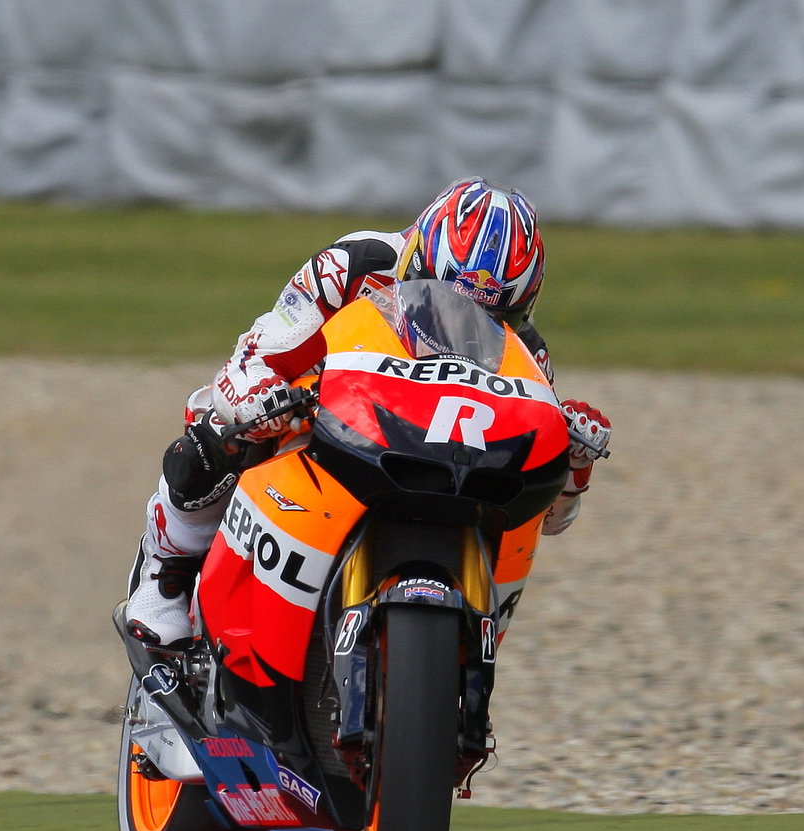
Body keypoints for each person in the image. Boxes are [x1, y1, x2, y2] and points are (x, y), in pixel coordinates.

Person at [124, 177, 613, 647]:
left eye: (497, 316)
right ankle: (165, 577)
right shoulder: (355, 263)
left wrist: (572, 460)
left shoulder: (526, 349)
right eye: (444, 297)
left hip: (434, 462)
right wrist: (263, 396)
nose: (466, 321)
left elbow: (547, 518)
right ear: (415, 259)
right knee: (215, 424)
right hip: (322, 413)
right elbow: (255, 357)